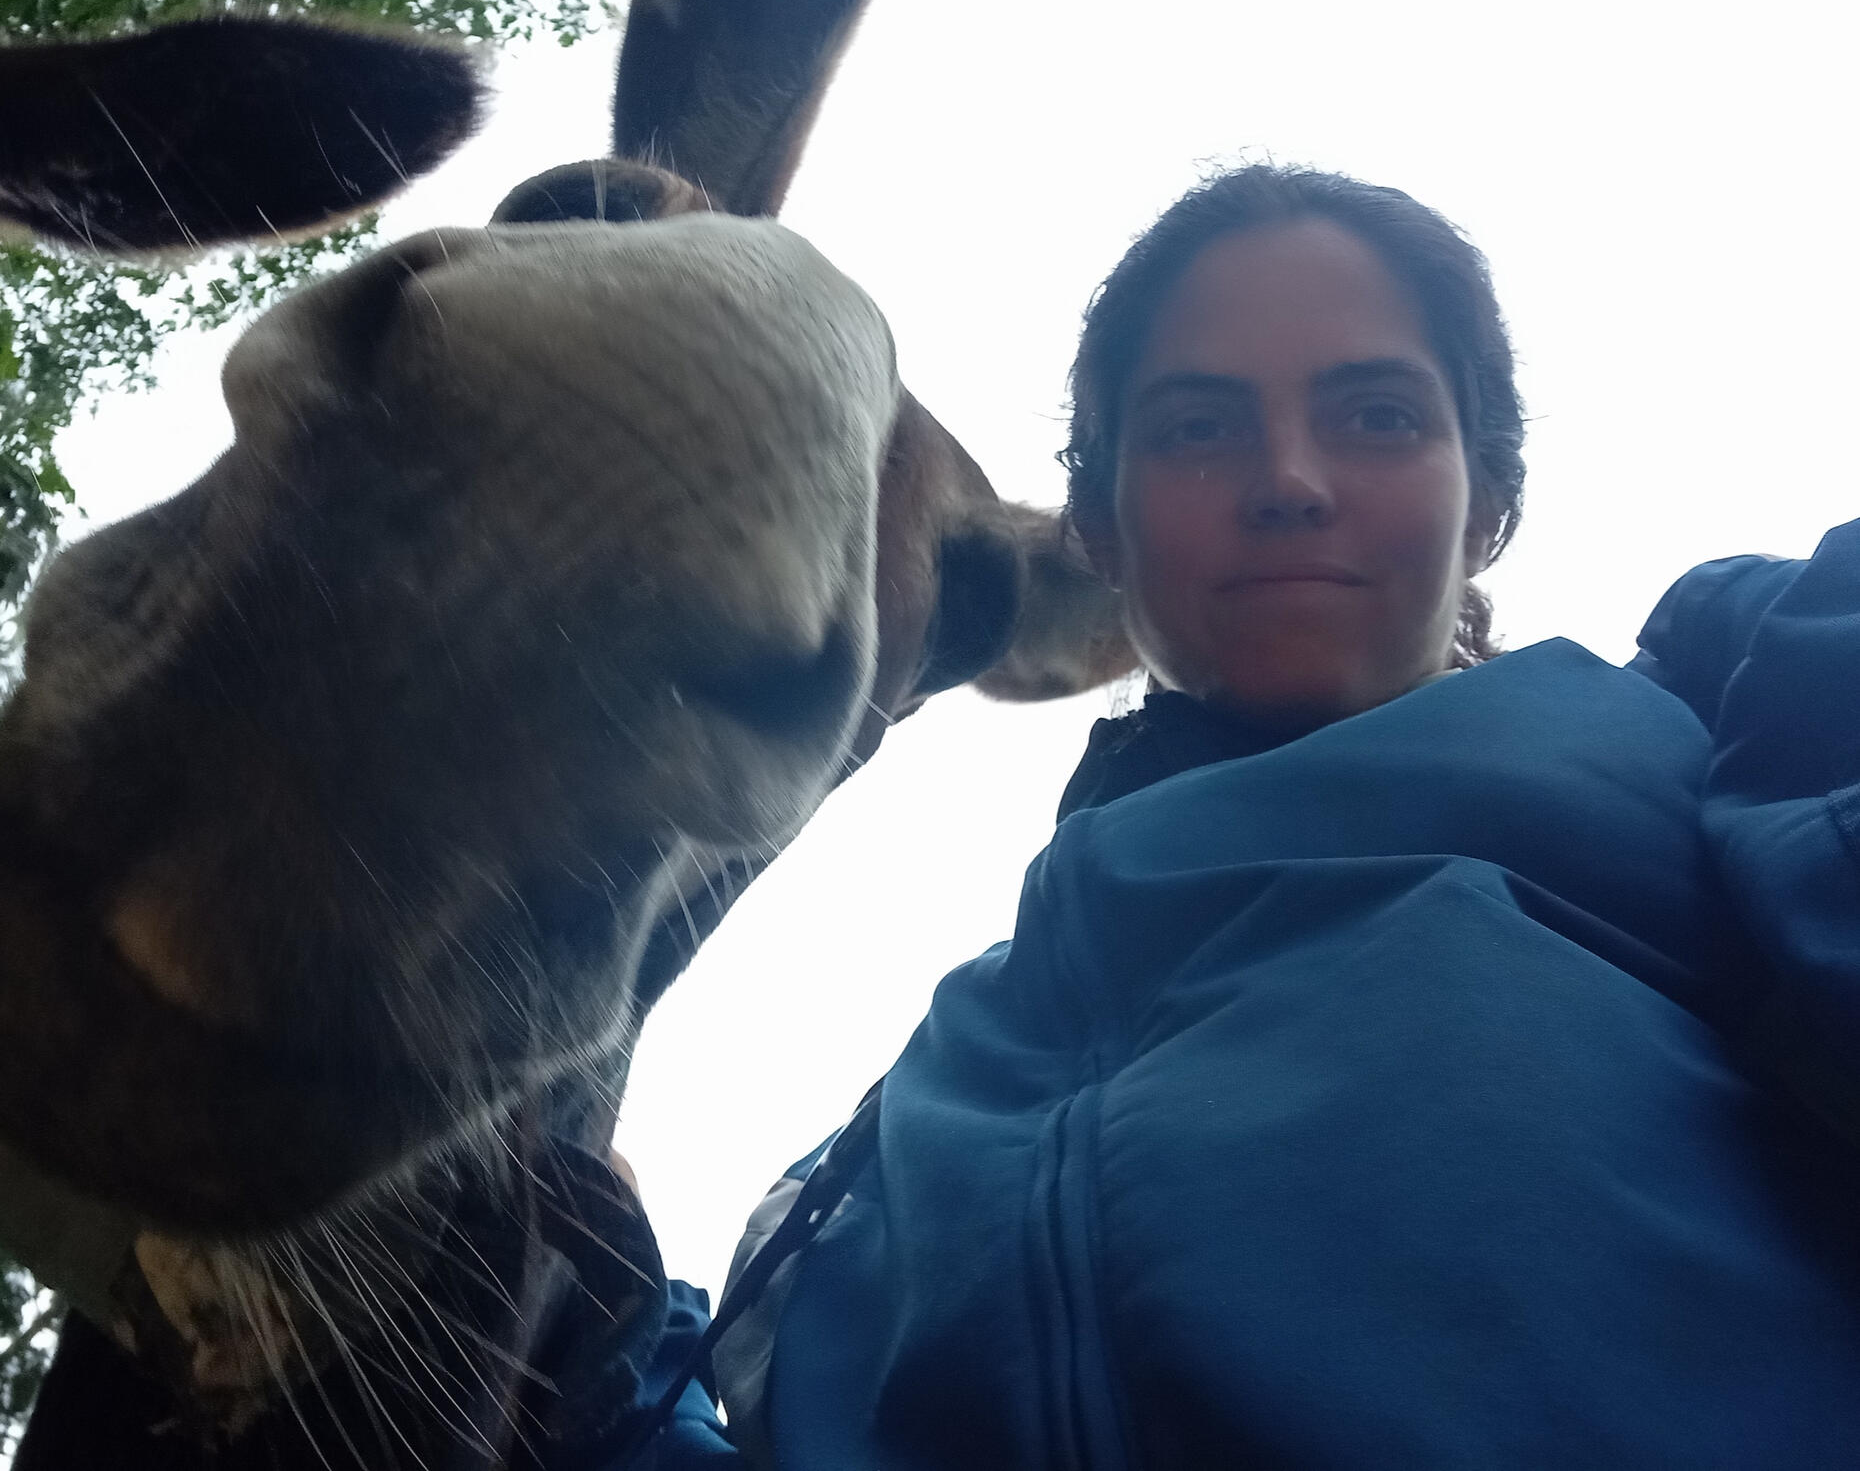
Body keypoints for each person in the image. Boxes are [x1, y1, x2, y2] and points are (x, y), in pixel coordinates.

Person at [629, 163, 1860, 1468]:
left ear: (1487, 502)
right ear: (1099, 525)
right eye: (1198, 430)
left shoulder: (1732, 739)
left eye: (1377, 416)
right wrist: (598, 1332)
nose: (1288, 479)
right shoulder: (888, 1136)